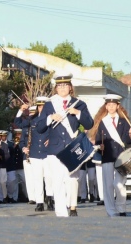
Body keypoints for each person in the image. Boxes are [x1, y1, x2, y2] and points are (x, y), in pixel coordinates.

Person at [36, 72, 94, 217]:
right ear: (56, 88)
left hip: (72, 146)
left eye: (65, 86)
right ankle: (61, 212)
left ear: (70, 87)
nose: (62, 88)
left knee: (72, 180)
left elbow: (89, 123)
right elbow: (39, 127)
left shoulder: (79, 104)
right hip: (54, 149)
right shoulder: (49, 105)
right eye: (59, 86)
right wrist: (50, 118)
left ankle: (72, 206)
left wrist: (78, 113)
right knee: (57, 180)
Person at [89, 94, 131, 217]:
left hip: (121, 156)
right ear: (106, 106)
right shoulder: (102, 121)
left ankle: (121, 208)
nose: (111, 107)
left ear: (117, 106)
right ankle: (110, 209)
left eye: (113, 105)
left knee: (119, 184)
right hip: (107, 156)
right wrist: (100, 146)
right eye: (108, 105)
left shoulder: (123, 120)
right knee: (108, 184)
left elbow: (128, 140)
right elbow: (98, 139)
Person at [20, 96, 49, 211]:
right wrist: (21, 110)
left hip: (47, 153)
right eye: (39, 106)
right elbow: (18, 123)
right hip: (35, 153)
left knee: (48, 178)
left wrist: (51, 139)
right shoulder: (32, 120)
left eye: (43, 106)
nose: (41, 108)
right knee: (36, 178)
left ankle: (50, 198)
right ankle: (39, 202)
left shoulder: (51, 118)